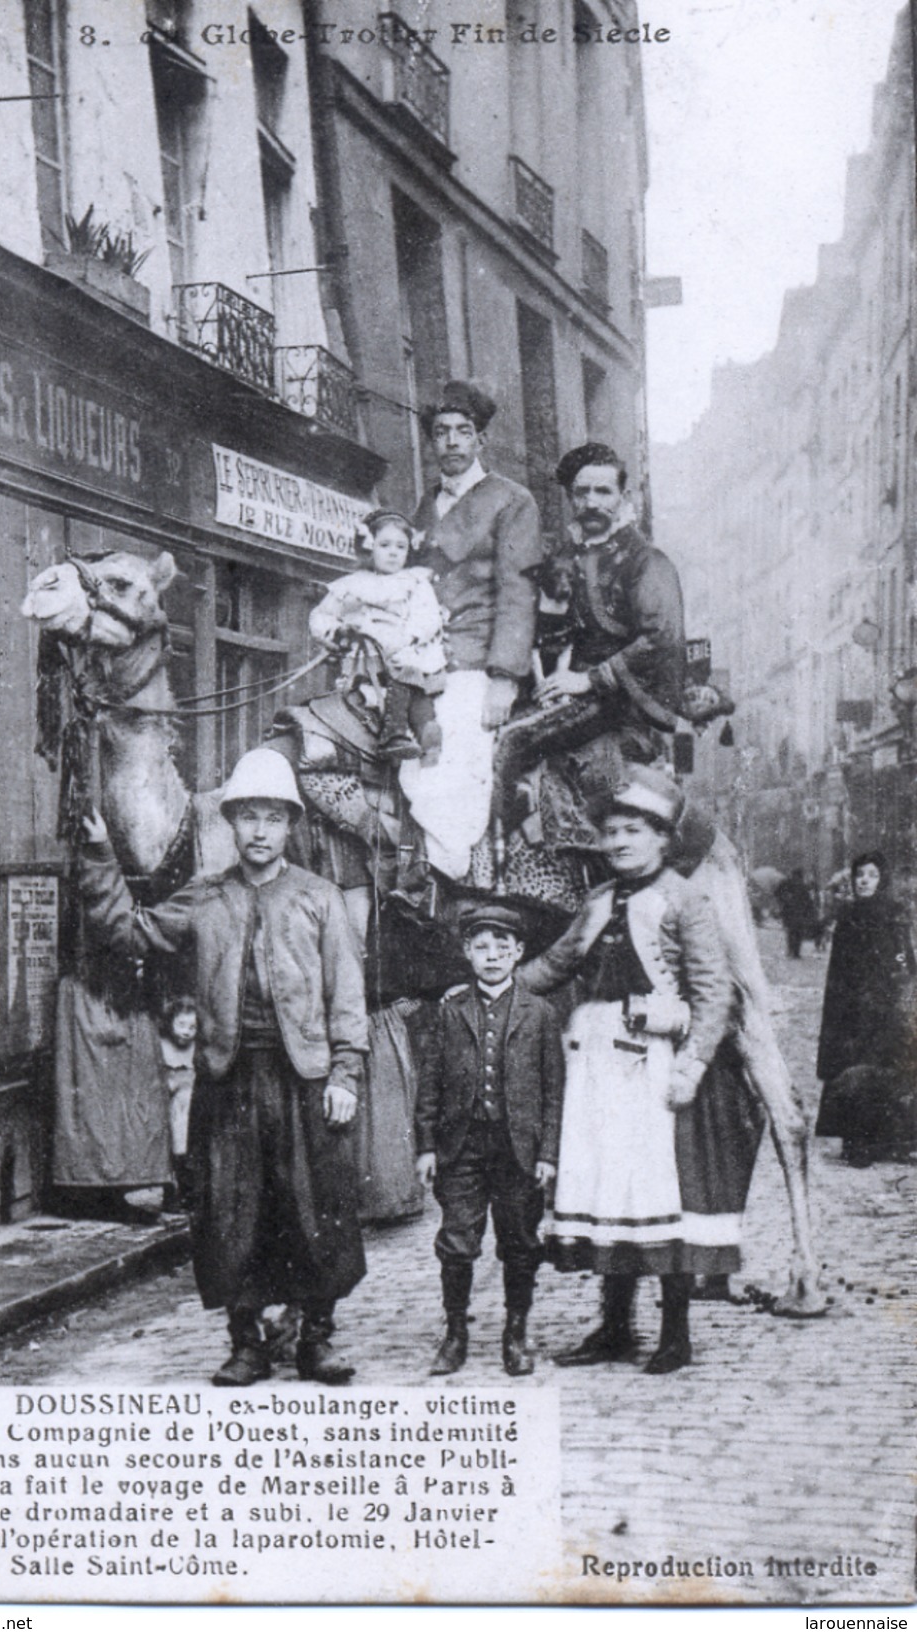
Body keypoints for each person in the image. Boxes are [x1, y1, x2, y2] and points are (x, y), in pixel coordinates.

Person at [77, 747, 369, 1387]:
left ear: (290, 826)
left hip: (304, 1078)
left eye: (273, 818)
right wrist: (100, 855)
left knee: (315, 1210)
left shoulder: (319, 898)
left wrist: (344, 1074)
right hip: (228, 1081)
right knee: (232, 1214)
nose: (260, 831)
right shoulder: (205, 897)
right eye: (248, 817)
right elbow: (131, 933)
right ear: (230, 822)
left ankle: (315, 1339)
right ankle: (247, 1344)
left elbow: (347, 995)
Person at [520, 765, 746, 1375]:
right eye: (611, 832)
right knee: (608, 1188)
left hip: (658, 1068)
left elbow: (714, 994)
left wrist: (691, 1066)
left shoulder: (685, 900)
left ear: (664, 839)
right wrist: (495, 987)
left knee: (660, 1193)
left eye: (634, 832)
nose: (618, 842)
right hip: (597, 1064)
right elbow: (556, 965)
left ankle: (675, 1333)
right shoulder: (597, 901)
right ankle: (615, 1327)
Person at [495, 442, 686, 837]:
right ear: (570, 499)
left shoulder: (647, 561)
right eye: (581, 493)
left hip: (623, 705)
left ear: (623, 497)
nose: (592, 502)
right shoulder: (566, 558)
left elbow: (661, 638)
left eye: (603, 492)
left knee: (513, 742)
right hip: (568, 696)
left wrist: (589, 679)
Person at [400, 380, 544, 879]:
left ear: (481, 439)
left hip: (474, 664)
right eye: (442, 432)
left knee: (447, 773)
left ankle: (447, 877)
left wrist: (503, 678)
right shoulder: (423, 507)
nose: (452, 442)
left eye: (463, 431)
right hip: (421, 663)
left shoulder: (512, 501)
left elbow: (518, 591)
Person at [415, 903, 564, 1376]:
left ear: (519, 952)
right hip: (461, 1148)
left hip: (518, 1149)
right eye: (482, 947)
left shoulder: (540, 1014)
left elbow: (554, 1092)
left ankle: (515, 1334)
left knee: (520, 1241)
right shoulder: (450, 1011)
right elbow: (430, 1083)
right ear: (467, 952)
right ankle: (455, 1333)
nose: (492, 956)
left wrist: (548, 1153)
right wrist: (426, 1146)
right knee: (457, 1241)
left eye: (503, 947)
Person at [309, 508, 446, 764]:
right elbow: (322, 615)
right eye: (385, 545)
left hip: (399, 648)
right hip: (362, 653)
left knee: (410, 680)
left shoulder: (414, 583)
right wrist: (336, 631)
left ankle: (413, 732)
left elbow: (428, 616)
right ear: (369, 547)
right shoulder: (352, 583)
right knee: (347, 698)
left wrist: (410, 637)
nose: (393, 552)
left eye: (400, 547)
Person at [815, 850, 917, 1164]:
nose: (864, 881)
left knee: (891, 1070)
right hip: (853, 1012)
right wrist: (840, 1009)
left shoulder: (895, 916)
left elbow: (905, 960)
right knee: (856, 1070)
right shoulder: (849, 917)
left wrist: (902, 994)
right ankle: (857, 1142)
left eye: (872, 875)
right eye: (860, 874)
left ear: (882, 879)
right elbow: (838, 970)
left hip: (888, 1010)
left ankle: (894, 1141)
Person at [158, 995, 197, 1205]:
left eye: (192, 1027)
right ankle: (170, 1190)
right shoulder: (162, 1046)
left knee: (184, 1142)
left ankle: (186, 1190)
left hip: (187, 1108)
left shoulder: (196, 1049)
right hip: (166, 1105)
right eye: (181, 1025)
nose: (186, 1031)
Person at [775, 868, 818, 959]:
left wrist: (783, 900)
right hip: (800, 913)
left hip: (789, 911)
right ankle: (796, 952)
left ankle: (791, 950)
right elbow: (808, 901)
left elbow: (777, 892)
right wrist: (810, 912)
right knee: (798, 932)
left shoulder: (787, 883)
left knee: (791, 931)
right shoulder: (802, 886)